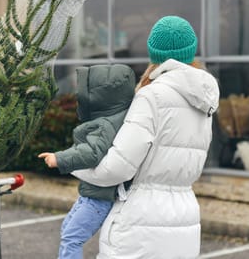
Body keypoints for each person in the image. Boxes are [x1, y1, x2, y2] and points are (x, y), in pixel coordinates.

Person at [71, 15, 220, 259]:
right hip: (185, 222)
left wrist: (73, 162)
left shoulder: (151, 97)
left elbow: (117, 168)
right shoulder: (204, 101)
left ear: (154, 54)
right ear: (191, 52)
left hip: (140, 226)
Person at [38, 63, 136, 259]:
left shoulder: (105, 124)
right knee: (67, 229)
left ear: (100, 96)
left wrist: (60, 158)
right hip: (91, 195)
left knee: (72, 238)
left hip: (98, 199)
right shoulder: (116, 118)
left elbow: (92, 152)